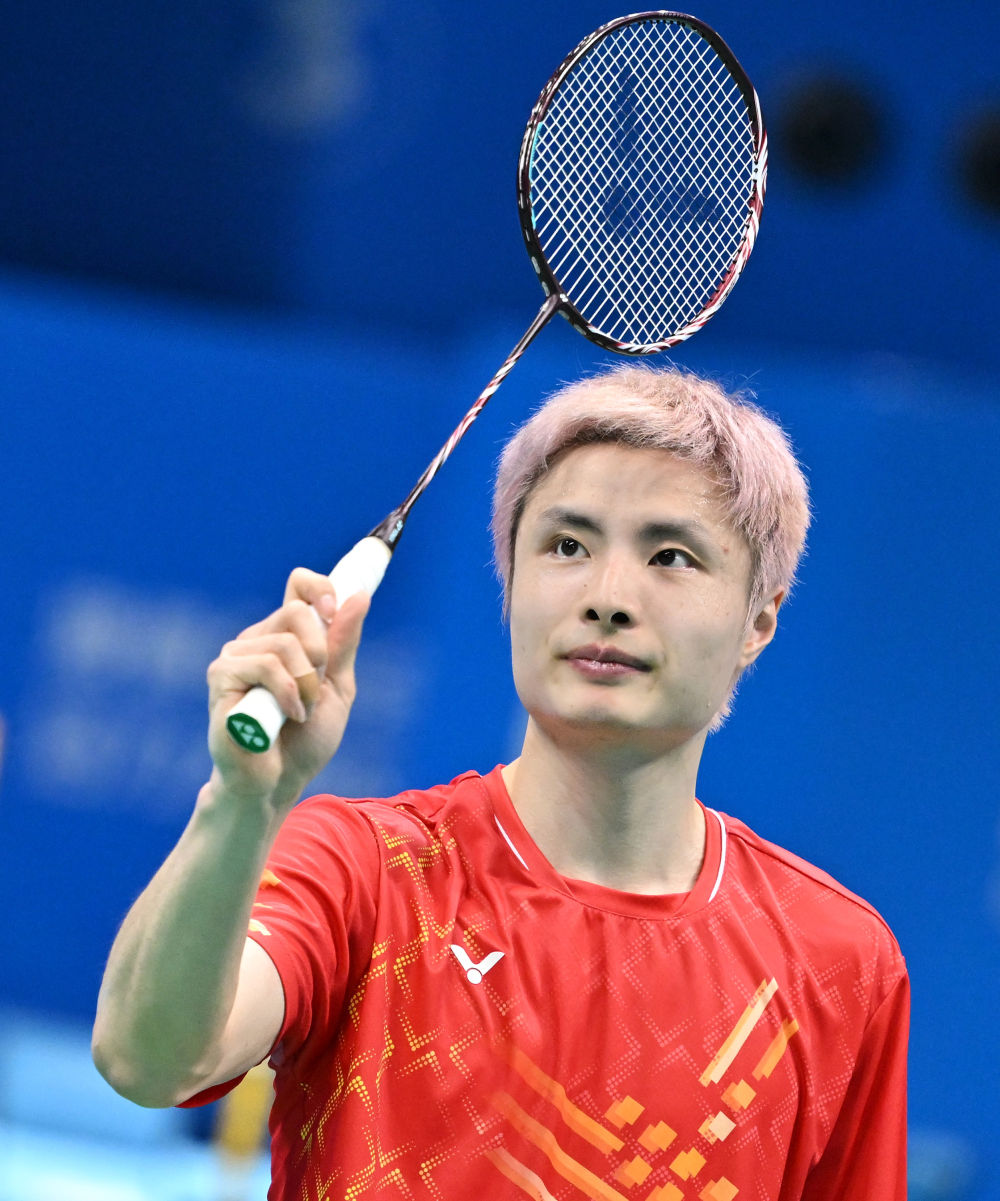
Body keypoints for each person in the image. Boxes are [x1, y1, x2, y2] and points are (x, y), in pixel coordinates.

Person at [93, 363, 909, 1201]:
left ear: (759, 620)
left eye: (671, 556)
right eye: (567, 545)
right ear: (510, 584)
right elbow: (148, 1059)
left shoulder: (838, 965)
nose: (607, 597)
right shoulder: (369, 871)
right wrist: (244, 800)